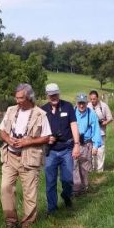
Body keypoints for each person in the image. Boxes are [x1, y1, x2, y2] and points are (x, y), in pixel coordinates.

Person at [0, 83, 51, 228]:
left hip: (29, 158)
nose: (17, 101)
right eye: (16, 98)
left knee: (30, 193)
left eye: (20, 98)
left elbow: (47, 137)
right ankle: (10, 222)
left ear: (29, 97)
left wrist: (28, 141)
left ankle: (28, 224)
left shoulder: (40, 114)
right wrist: (9, 139)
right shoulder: (10, 110)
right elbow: (1, 131)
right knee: (5, 188)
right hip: (10, 156)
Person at [41, 83, 80, 214]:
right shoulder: (42, 110)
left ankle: (66, 195)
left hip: (67, 148)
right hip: (50, 151)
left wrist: (76, 144)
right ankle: (52, 209)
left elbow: (74, 125)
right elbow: (38, 131)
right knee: (50, 181)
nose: (54, 97)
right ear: (47, 96)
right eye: (51, 95)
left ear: (59, 93)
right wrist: (47, 138)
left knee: (67, 179)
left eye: (56, 94)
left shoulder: (68, 106)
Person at [73, 93, 102, 196]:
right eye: (80, 103)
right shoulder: (72, 112)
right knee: (74, 165)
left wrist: (95, 146)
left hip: (86, 144)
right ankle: (76, 189)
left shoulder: (92, 114)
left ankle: (84, 187)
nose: (81, 106)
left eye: (83, 103)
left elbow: (96, 131)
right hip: (74, 144)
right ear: (77, 103)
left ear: (86, 103)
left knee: (84, 166)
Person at [87, 90, 113, 172]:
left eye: (94, 99)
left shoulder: (104, 106)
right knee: (91, 151)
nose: (92, 101)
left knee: (100, 151)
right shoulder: (87, 106)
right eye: (91, 99)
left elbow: (110, 118)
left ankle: (99, 170)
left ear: (97, 98)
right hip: (90, 133)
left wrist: (105, 122)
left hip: (101, 132)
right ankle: (92, 169)